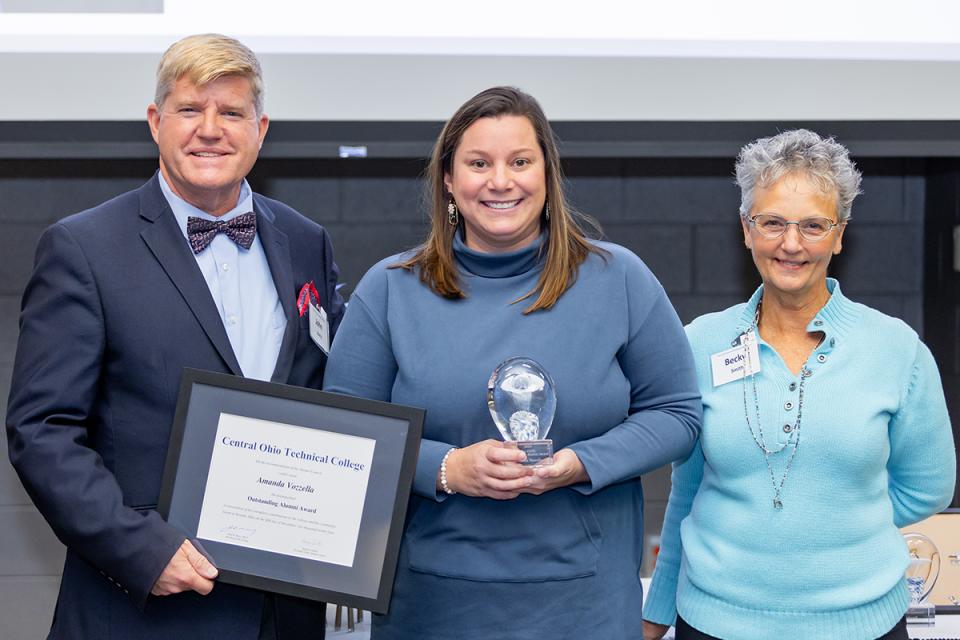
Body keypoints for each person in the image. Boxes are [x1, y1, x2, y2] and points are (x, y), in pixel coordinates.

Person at [322, 86, 701, 639]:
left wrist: (580, 463)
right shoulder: (389, 289)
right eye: (479, 163)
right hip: (430, 608)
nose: (501, 181)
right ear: (449, 180)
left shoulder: (618, 278)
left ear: (547, 175)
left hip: (585, 607)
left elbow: (677, 414)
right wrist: (449, 470)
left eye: (520, 161)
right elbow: (343, 436)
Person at [6, 34, 343, 639]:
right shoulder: (83, 248)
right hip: (145, 609)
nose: (210, 129)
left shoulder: (307, 240)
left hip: (282, 611)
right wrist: (139, 549)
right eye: (190, 110)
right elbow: (42, 431)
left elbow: (328, 398)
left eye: (232, 112)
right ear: (156, 122)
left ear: (261, 129)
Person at [642, 129, 957, 640]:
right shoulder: (700, 343)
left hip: (864, 625)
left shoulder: (897, 350)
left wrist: (843, 518)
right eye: (772, 223)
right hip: (715, 623)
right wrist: (656, 611)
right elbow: (689, 489)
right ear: (746, 229)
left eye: (813, 225)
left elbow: (927, 487)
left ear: (839, 234)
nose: (792, 244)